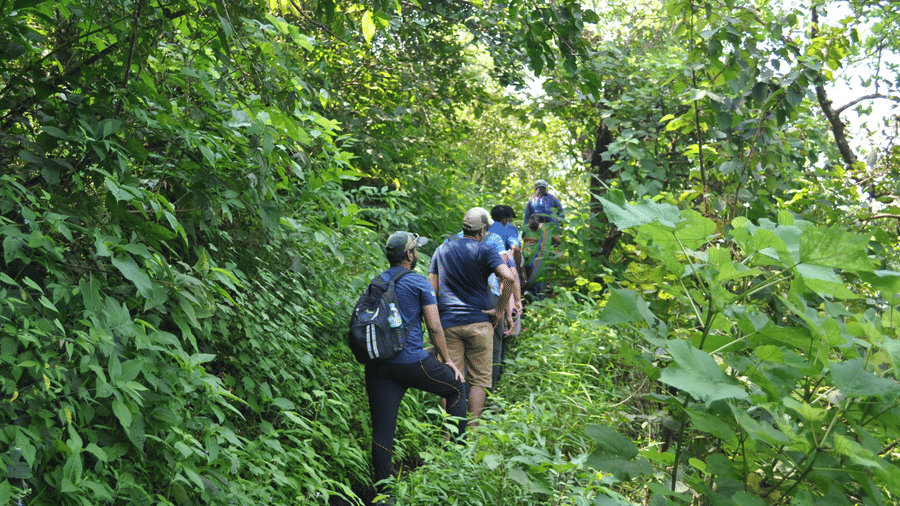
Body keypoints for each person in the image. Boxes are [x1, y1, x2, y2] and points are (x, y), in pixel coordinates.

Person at [366, 231, 467, 502]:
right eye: (415, 249)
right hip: (411, 362)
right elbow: (434, 326)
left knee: (383, 428)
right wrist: (447, 360)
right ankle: (458, 466)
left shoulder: (375, 282)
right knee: (456, 388)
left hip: (378, 366)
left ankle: (383, 495)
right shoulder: (419, 282)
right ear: (410, 255)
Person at [429, 208, 516, 419]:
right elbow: (509, 278)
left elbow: (432, 289)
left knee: (451, 377)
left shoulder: (442, 249)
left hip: (448, 324)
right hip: (479, 323)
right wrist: (499, 311)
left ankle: (448, 433)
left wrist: (436, 320)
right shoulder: (485, 251)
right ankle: (473, 431)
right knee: (479, 380)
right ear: (482, 231)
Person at [487, 205, 523, 389]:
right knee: (500, 338)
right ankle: (492, 388)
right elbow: (511, 273)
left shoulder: (483, 229)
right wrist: (516, 300)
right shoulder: (508, 230)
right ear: (506, 219)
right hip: (498, 288)